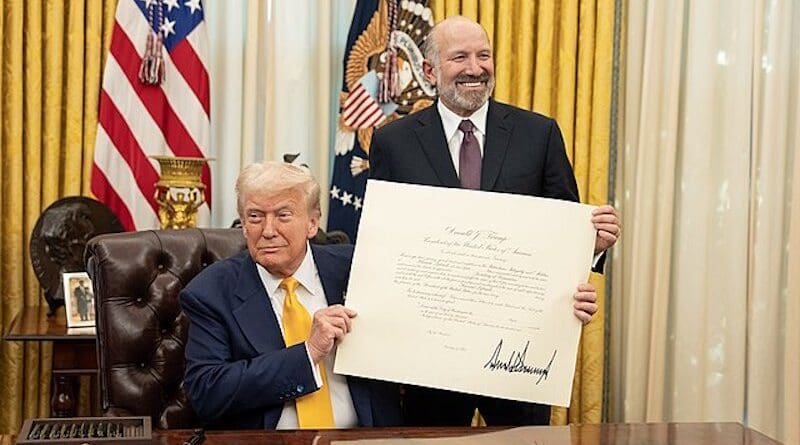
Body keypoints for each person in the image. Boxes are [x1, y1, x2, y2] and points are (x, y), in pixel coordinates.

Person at [369, 16, 620, 426]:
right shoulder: (393, 142)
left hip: (519, 354)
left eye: (483, 55)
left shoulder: (539, 134)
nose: (475, 68)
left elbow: (565, 230)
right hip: (430, 357)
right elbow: (380, 242)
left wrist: (590, 247)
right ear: (429, 71)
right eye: (460, 57)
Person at [181, 162, 401, 429]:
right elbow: (207, 392)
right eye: (255, 217)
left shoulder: (357, 269)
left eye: (283, 215)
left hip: (364, 437)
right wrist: (308, 353)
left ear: (312, 223)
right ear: (243, 225)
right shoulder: (211, 291)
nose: (268, 230)